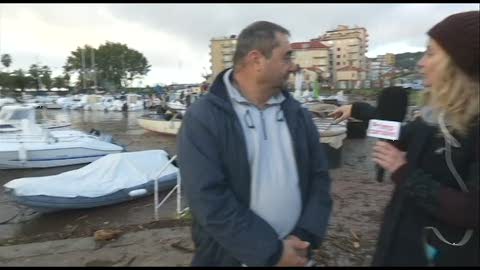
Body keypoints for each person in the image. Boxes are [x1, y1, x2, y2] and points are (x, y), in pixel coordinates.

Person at [177, 21, 333, 266]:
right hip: (228, 259)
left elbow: (319, 179)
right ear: (256, 60)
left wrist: (305, 238)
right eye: (286, 57)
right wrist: (272, 253)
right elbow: (208, 198)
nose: (293, 66)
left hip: (296, 255)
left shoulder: (298, 115)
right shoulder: (203, 117)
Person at [330, 11, 479, 266]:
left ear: (459, 64)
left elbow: (471, 210)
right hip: (400, 245)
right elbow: (400, 133)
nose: (421, 63)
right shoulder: (437, 114)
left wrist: (403, 170)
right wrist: (357, 110)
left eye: (431, 53)